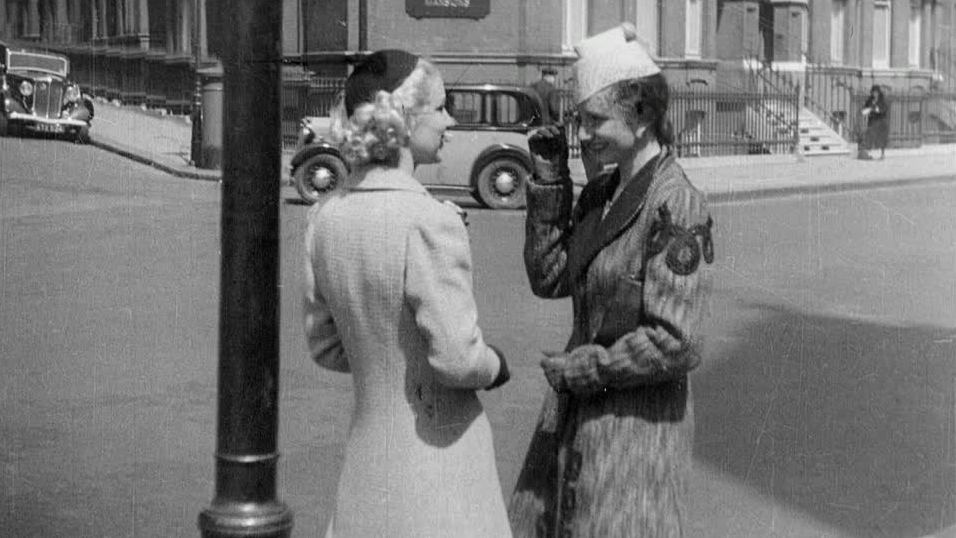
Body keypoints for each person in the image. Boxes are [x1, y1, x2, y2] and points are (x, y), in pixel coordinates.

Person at [508, 24, 715, 538]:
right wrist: (551, 181)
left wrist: (589, 367)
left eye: (595, 120)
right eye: (580, 120)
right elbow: (550, 277)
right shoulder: (601, 192)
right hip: (574, 420)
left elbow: (677, 341)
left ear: (641, 116)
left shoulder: (675, 204)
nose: (582, 134)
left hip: (635, 434)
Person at [303, 49, 513, 538]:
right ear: (403, 119)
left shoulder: (324, 218)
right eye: (439, 108)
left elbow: (326, 346)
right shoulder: (430, 220)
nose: (449, 121)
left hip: (366, 468)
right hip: (439, 465)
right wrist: (495, 365)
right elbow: (459, 360)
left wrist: (386, 356)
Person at [861, 84, 889, 160]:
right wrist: (865, 111)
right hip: (872, 121)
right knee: (870, 136)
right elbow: (865, 108)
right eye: (873, 92)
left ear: (879, 92)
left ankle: (882, 154)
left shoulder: (882, 100)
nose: (875, 93)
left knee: (881, 138)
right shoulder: (870, 100)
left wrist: (873, 109)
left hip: (881, 120)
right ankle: (868, 153)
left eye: (876, 92)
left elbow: (883, 110)